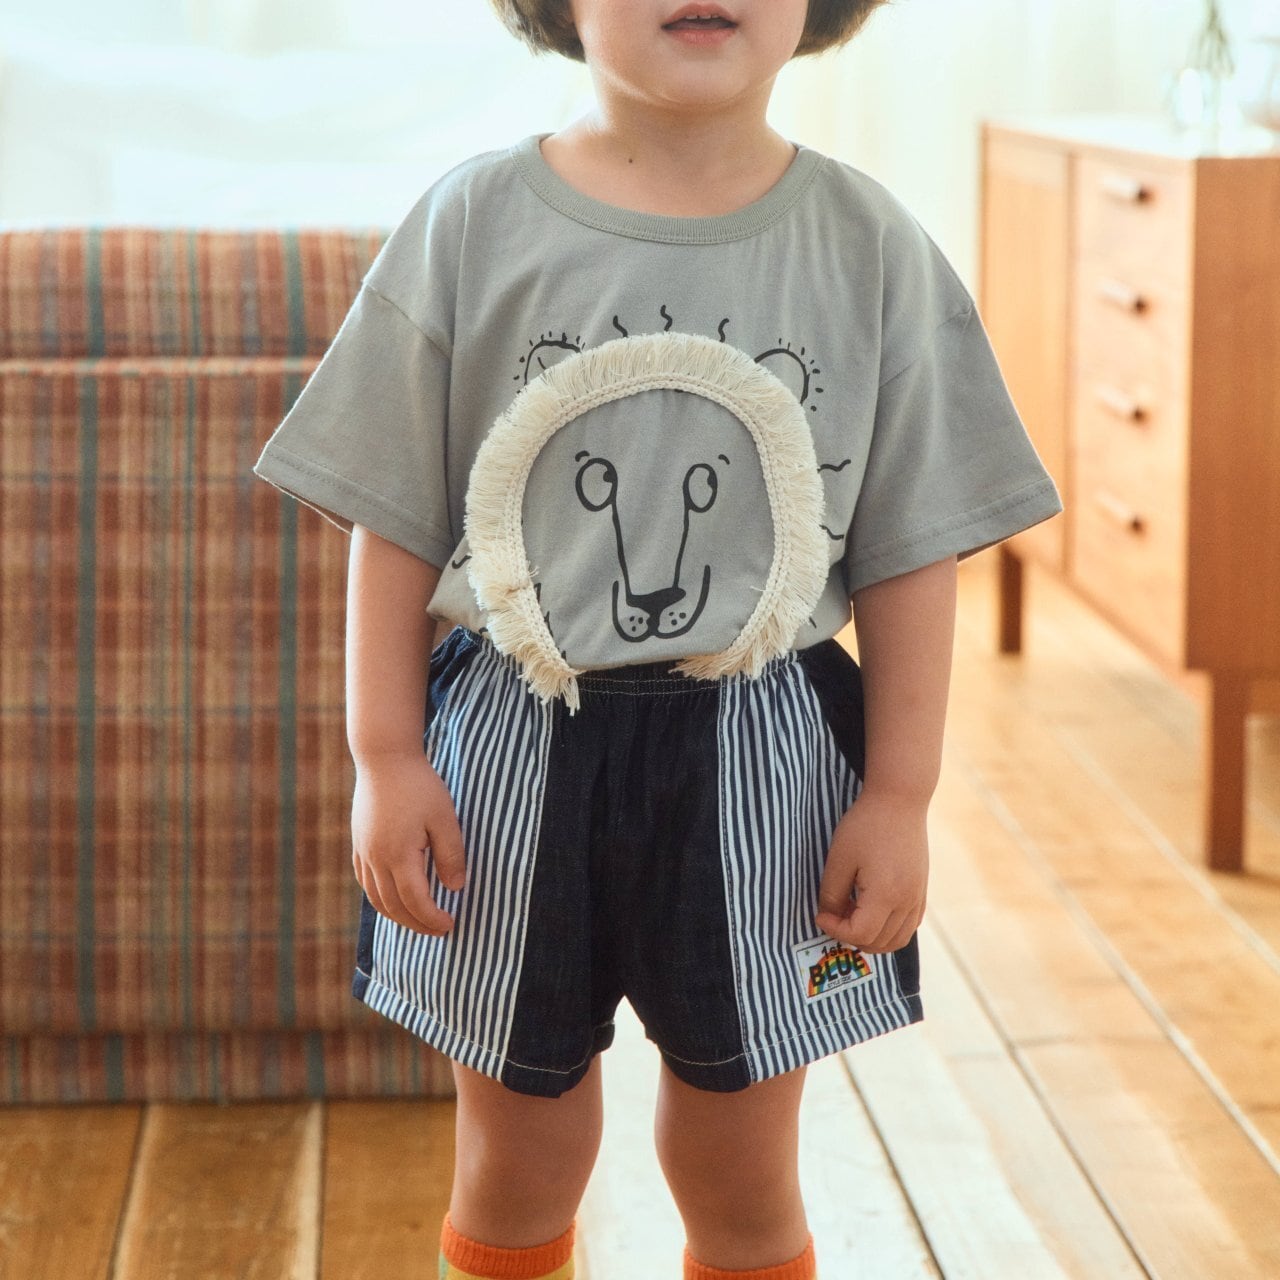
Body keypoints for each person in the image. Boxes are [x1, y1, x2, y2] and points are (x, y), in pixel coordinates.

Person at [252, 2, 1062, 1276]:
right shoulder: (468, 223)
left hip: (765, 759)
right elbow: (388, 517)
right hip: (508, 751)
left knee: (743, 1161)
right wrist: (385, 755)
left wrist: (900, 794)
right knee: (513, 1152)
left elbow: (913, 549)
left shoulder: (870, 247)